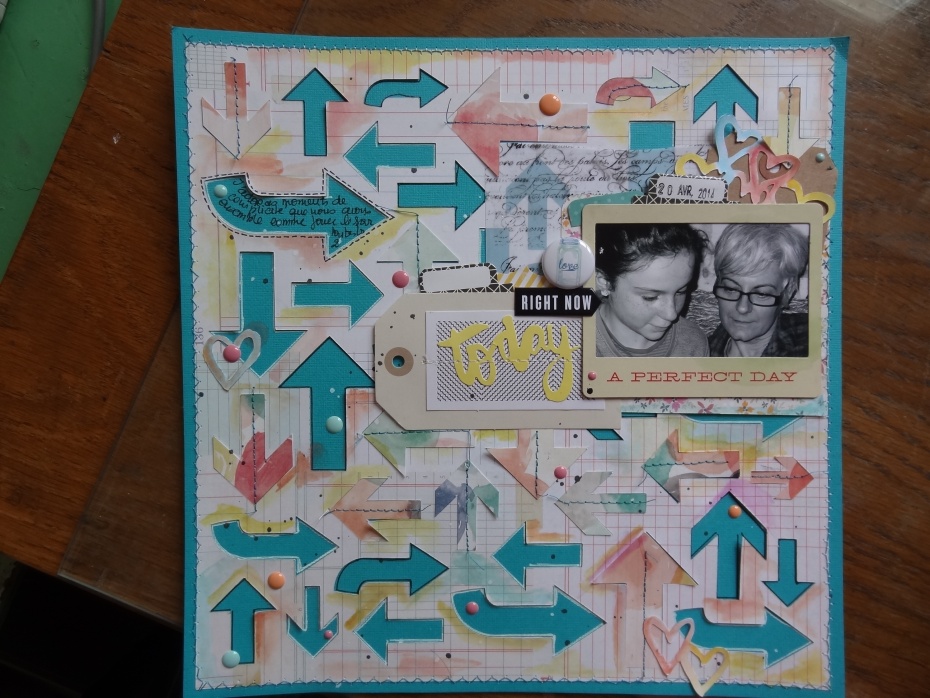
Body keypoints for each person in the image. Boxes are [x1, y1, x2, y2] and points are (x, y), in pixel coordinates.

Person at [594, 223, 708, 357]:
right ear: (605, 283)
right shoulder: (577, 341)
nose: (671, 314)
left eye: (681, 291)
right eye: (650, 297)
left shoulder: (693, 343)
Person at [709, 223, 809, 357]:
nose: (742, 308)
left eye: (761, 294)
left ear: (787, 292)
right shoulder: (698, 352)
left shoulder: (813, 340)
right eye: (731, 289)